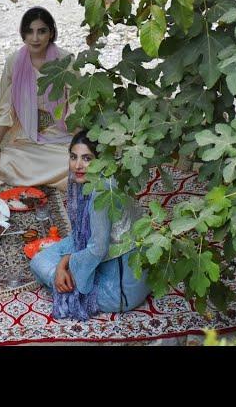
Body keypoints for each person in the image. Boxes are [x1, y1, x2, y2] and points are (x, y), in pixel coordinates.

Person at [29, 130, 150, 320]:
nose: (78, 165)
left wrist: (63, 265)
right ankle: (67, 272)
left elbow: (98, 249)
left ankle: (64, 281)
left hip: (121, 292)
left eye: (87, 158)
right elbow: (89, 236)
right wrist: (69, 259)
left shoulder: (100, 193)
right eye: (73, 157)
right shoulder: (112, 178)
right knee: (53, 252)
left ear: (100, 160)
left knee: (39, 263)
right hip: (137, 274)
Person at [0, 6, 74, 190]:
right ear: (22, 34)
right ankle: (54, 179)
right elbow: (5, 108)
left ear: (51, 33)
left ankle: (42, 178)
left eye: (42, 31)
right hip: (26, 138)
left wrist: (81, 145)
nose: (35, 38)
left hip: (59, 135)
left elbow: (76, 104)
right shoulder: (13, 62)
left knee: (76, 162)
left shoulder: (65, 60)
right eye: (30, 31)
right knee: (0, 166)